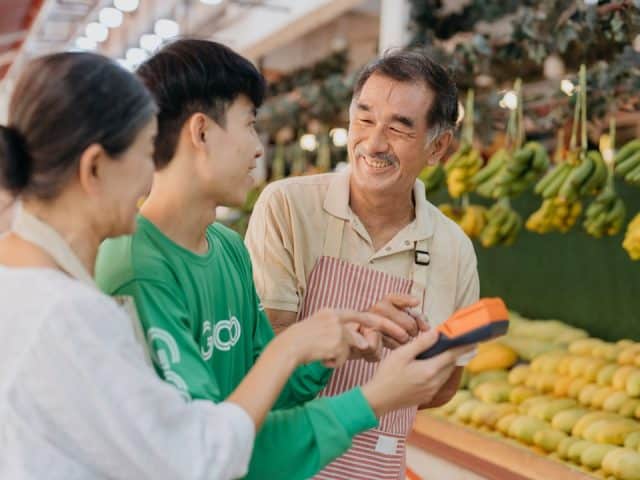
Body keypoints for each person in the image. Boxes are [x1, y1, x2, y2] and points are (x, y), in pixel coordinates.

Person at [0, 51, 389, 480]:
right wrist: (303, 356)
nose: (154, 169)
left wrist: (311, 348)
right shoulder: (68, 314)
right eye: (147, 151)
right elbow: (195, 458)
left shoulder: (29, 293)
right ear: (95, 167)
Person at [95, 39, 473, 480]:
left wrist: (338, 341)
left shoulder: (227, 249)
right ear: (201, 132)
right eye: (250, 124)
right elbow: (207, 449)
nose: (259, 148)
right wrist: (370, 399)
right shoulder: (136, 271)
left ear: (438, 147)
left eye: (399, 127)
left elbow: (265, 392)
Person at [245, 49, 480, 480]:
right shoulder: (288, 207)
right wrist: (358, 357)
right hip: (284, 465)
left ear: (439, 147)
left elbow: (449, 380)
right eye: (364, 119)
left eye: (399, 128)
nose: (373, 143)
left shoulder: (455, 250)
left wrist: (408, 377)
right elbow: (265, 347)